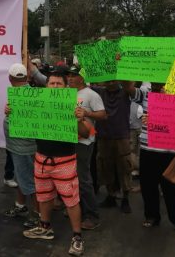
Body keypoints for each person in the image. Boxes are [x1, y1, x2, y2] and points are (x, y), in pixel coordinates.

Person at [22, 72, 85, 257]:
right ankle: (45, 227)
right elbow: (23, 122)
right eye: (51, 83)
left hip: (64, 160)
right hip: (41, 158)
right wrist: (12, 112)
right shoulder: (38, 104)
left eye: (59, 83)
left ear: (66, 87)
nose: (55, 86)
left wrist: (80, 119)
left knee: (71, 200)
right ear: (46, 86)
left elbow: (86, 132)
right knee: (43, 196)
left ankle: (77, 237)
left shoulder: (73, 105)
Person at [92, 80, 143, 213]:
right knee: (105, 167)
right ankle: (111, 196)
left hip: (122, 137)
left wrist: (122, 70)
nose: (111, 81)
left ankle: (125, 198)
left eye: (114, 77)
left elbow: (131, 87)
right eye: (108, 78)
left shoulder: (125, 92)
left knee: (125, 168)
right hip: (103, 136)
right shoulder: (99, 92)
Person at [66, 65, 107, 230]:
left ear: (81, 78)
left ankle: (92, 215)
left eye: (73, 75)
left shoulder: (92, 95)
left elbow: (103, 114)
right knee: (70, 178)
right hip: (68, 139)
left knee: (83, 179)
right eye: (68, 75)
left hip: (84, 141)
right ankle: (76, 208)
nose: (69, 78)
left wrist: (87, 114)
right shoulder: (67, 92)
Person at [139, 83, 175, 232]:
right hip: (147, 148)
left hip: (169, 151)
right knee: (148, 185)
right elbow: (128, 88)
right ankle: (151, 216)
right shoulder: (144, 92)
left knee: (172, 187)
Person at [2, 63, 40, 228]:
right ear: (26, 77)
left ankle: (37, 214)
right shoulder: (29, 94)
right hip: (18, 146)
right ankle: (20, 205)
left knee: (29, 180)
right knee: (21, 176)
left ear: (10, 78)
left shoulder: (25, 95)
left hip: (24, 147)